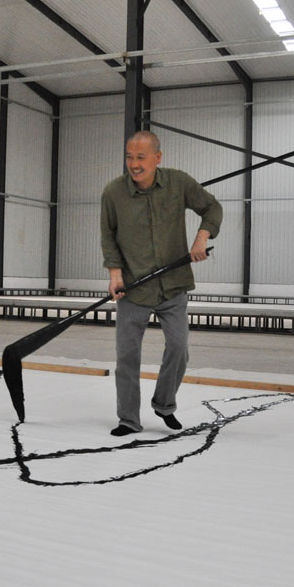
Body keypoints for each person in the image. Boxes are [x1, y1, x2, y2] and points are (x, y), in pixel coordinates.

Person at [100, 130, 222, 436]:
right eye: (129, 157)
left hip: (173, 285)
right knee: (127, 357)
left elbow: (212, 208)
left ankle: (164, 404)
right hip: (133, 288)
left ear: (158, 157)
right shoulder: (113, 193)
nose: (134, 164)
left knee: (179, 347)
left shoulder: (178, 183)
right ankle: (128, 419)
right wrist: (115, 275)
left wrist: (202, 237)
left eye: (141, 157)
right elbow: (108, 236)